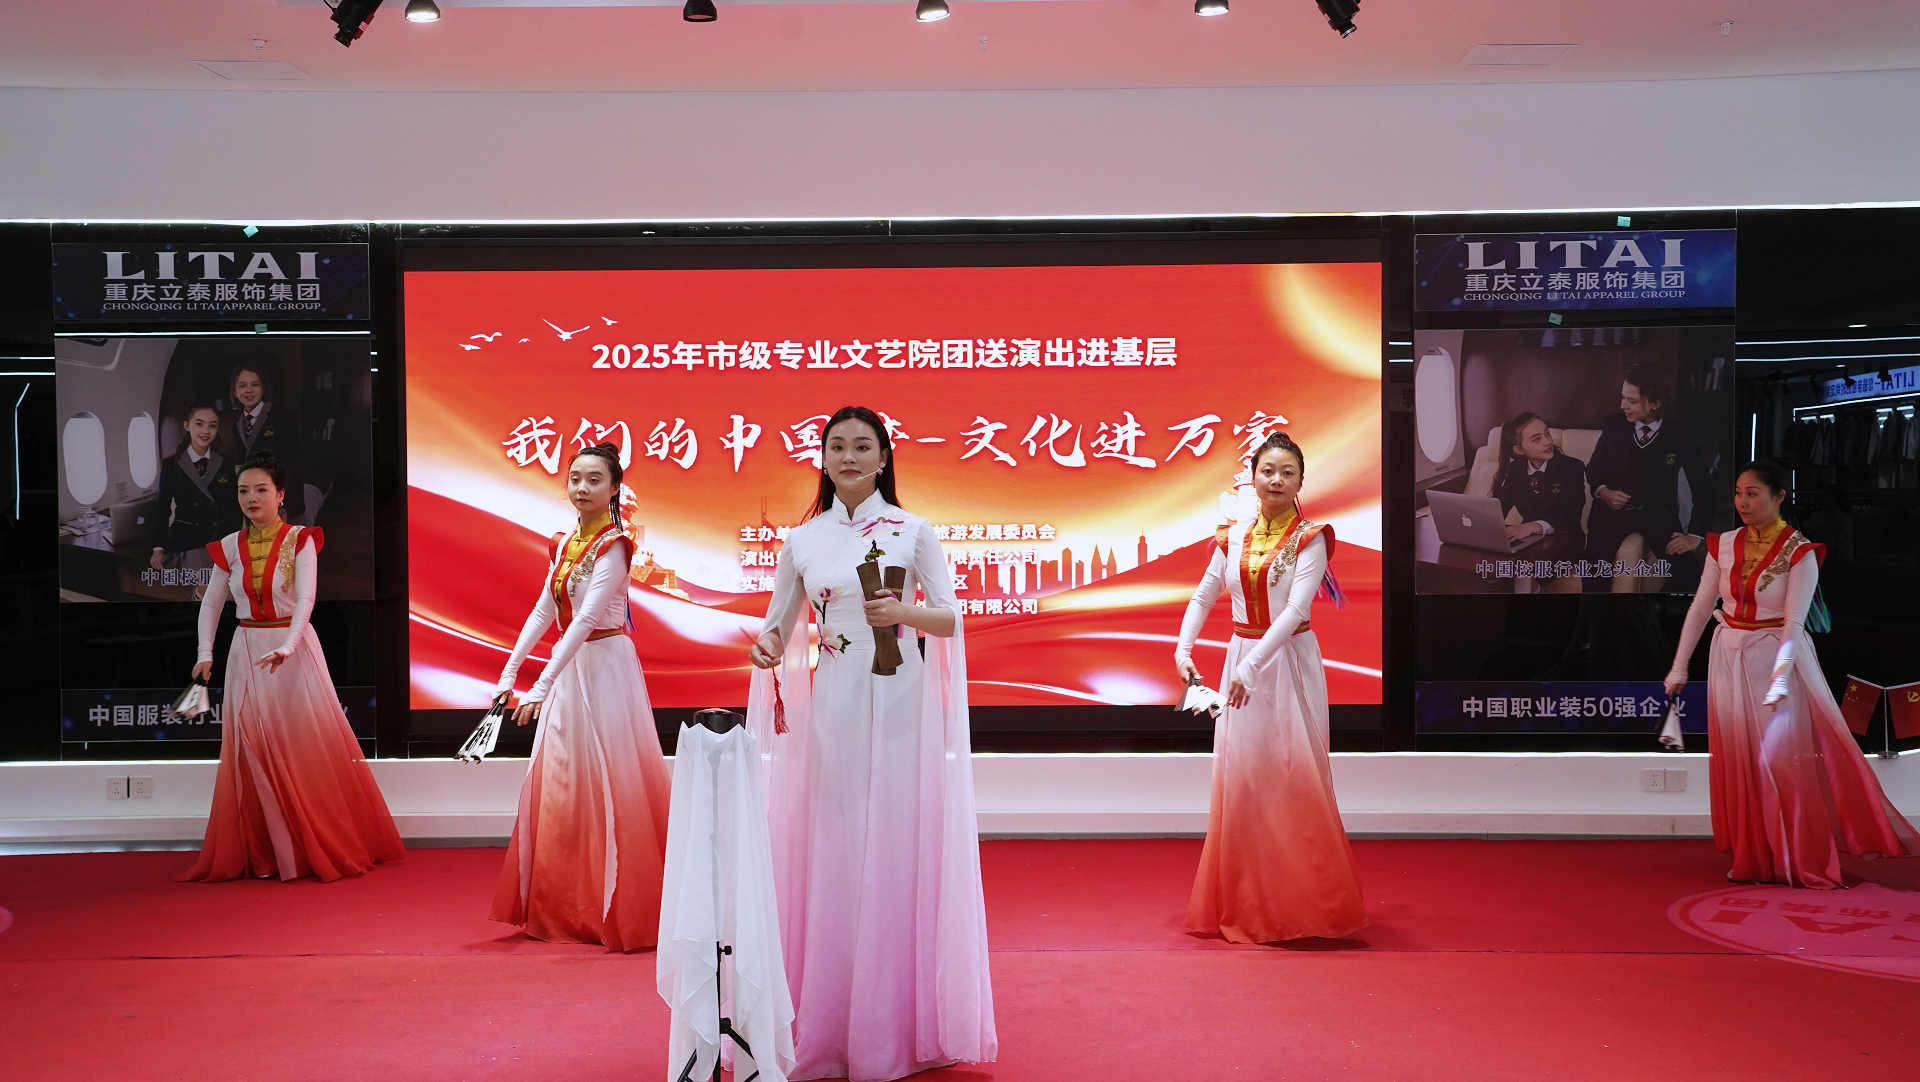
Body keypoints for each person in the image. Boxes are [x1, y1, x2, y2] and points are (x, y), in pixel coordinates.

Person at [746, 406, 995, 1082]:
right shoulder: (803, 541)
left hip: (901, 696)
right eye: (837, 446)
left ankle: (892, 1029)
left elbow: (950, 619)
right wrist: (766, 646)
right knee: (836, 843)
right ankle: (829, 1025)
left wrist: (904, 611)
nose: (849, 457)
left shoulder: (914, 531)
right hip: (835, 699)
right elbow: (777, 626)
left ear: (884, 458)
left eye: (863, 446)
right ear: (823, 458)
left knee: (892, 841)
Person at [1664, 461, 1918, 888]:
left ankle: (1795, 856)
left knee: (1780, 762)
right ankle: (1753, 855)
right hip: (1727, 654)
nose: (1743, 502)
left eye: (1753, 494)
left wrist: (1781, 679)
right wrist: (1679, 665)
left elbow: (1794, 625)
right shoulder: (1722, 545)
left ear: (1779, 496)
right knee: (1738, 757)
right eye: (1739, 493)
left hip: (1774, 659)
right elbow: (1700, 607)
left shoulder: (1800, 552)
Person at [1174, 431, 1367, 943]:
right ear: (1253, 477)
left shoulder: (1312, 537)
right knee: (1243, 775)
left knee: (1293, 772)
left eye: (1287, 472)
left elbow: (1296, 610)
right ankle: (1246, 900)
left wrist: (1253, 665)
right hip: (1241, 658)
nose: (1276, 480)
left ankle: (1307, 906)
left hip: (1288, 662)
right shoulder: (1232, 535)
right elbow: (1204, 595)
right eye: (1268, 471)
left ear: (1301, 482)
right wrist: (1183, 649)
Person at [178, 452, 402, 883]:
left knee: (304, 746)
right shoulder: (229, 546)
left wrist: (289, 645)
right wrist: (205, 652)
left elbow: (305, 599)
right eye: (244, 490)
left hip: (293, 651)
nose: (251, 497)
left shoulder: (301, 540)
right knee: (251, 747)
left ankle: (309, 844)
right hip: (246, 649)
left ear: (281, 495)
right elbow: (211, 604)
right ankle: (265, 851)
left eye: (261, 489)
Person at [491, 442, 671, 951]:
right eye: (575, 479)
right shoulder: (566, 542)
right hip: (570, 667)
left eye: (594, 480)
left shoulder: (615, 544)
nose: (582, 488)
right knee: (563, 779)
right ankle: (565, 904)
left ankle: (619, 904)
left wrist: (540, 684)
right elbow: (543, 611)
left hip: (605, 666)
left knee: (612, 779)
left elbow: (589, 618)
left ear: (614, 488)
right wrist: (508, 674)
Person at [1583, 364, 1710, 591]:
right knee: (1594, 573)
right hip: (1609, 514)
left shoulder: (1679, 432)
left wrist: (1695, 535)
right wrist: (1604, 492)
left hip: (1657, 513)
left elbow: (1702, 484)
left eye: (1631, 401)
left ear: (1655, 403)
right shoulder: (1614, 425)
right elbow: (1594, 468)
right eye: (1623, 397)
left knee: (1689, 576)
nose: (1623, 405)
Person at [149, 405, 239, 585]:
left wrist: (235, 544)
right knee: (209, 581)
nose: (206, 431)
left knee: (230, 581)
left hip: (220, 539)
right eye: (199, 424)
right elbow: (162, 508)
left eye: (212, 426)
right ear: (187, 426)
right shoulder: (172, 464)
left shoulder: (225, 462)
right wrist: (158, 548)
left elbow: (234, 508)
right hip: (189, 540)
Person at [216, 364, 305, 520]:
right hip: (255, 503)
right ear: (235, 392)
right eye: (242, 386)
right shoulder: (236, 425)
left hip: (281, 503)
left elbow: (294, 465)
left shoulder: (283, 416)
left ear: (263, 389)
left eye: (255, 385)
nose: (249, 390)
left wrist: (284, 505)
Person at [1490, 411, 1586, 546]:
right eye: (1537, 439)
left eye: (1547, 433)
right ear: (1519, 450)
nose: (1548, 441)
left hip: (1565, 540)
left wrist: (1533, 526)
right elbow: (1499, 509)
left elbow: (1571, 515)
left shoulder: (1572, 467)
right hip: (1530, 539)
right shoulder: (1514, 470)